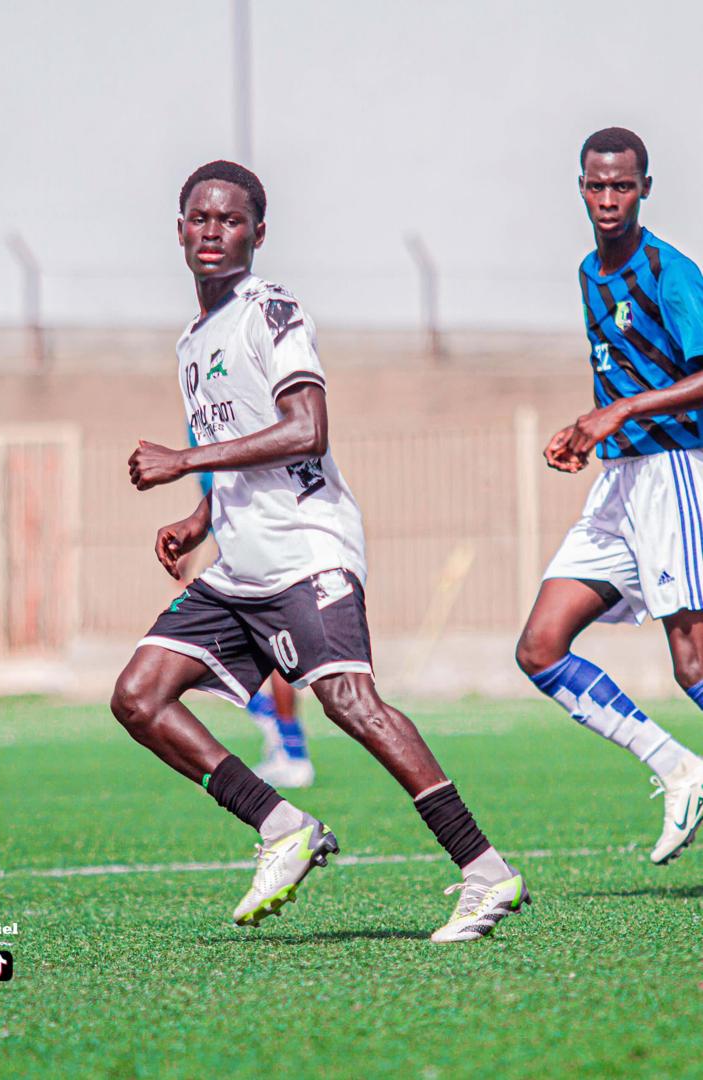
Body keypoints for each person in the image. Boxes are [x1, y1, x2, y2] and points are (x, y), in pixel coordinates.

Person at [111, 160, 528, 942]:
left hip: (307, 550)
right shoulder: (192, 340)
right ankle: (280, 825)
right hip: (242, 566)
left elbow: (308, 430)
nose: (212, 231)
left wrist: (185, 460)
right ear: (178, 230)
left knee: (349, 703)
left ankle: (485, 872)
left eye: (230, 220)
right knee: (139, 696)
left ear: (258, 234)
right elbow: (244, 444)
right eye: (199, 218)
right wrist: (199, 519)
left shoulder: (270, 312)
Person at [517, 127, 703, 865]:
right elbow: (621, 379)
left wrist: (619, 414)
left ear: (644, 188)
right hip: (618, 484)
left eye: (620, 186)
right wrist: (586, 431)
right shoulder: (588, 273)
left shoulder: (669, 268)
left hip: (675, 474)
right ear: (580, 187)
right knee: (538, 647)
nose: (606, 199)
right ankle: (678, 767)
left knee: (690, 661)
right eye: (594, 186)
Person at [183, 427, 316, 788]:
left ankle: (290, 747)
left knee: (273, 648)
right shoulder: (199, 414)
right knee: (193, 654)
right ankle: (284, 737)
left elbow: (240, 486)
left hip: (257, 543)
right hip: (231, 543)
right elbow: (217, 499)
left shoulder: (223, 412)